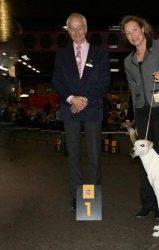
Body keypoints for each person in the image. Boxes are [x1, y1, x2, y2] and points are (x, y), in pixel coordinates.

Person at [120, 16, 159, 219]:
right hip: (144, 112)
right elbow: (133, 90)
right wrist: (134, 119)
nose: (132, 36)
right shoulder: (128, 61)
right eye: (128, 33)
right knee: (144, 159)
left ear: (143, 28)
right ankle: (146, 203)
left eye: (135, 30)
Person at [52, 13, 111, 210]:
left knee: (94, 156)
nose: (76, 32)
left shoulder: (100, 54)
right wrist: (71, 99)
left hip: (92, 108)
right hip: (70, 109)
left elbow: (104, 82)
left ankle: (91, 199)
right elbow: (57, 81)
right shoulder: (61, 55)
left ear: (86, 29)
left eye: (80, 28)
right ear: (68, 31)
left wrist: (84, 99)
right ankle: (77, 197)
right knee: (74, 155)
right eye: (72, 28)